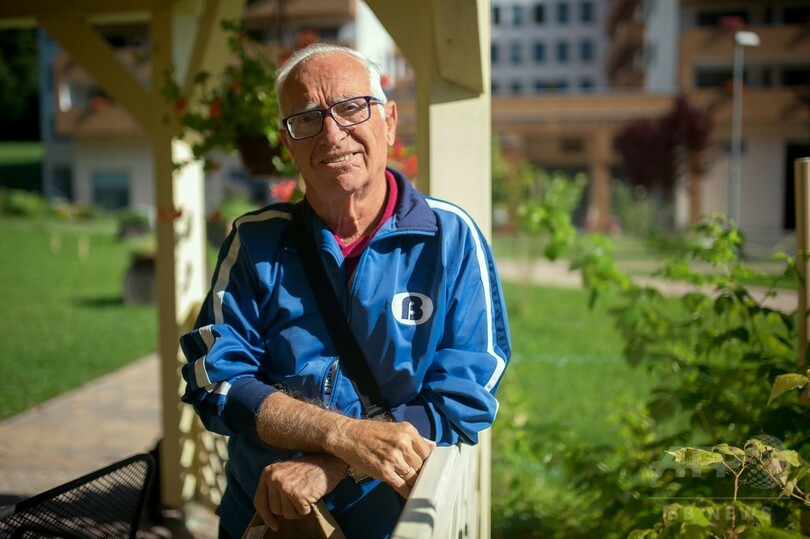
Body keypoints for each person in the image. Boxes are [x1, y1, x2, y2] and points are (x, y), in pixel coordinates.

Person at [180, 42, 511, 539]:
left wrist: (335, 463)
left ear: (389, 122)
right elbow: (215, 379)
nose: (332, 133)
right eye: (306, 119)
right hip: (270, 523)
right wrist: (341, 434)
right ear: (287, 143)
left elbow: (466, 393)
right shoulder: (255, 241)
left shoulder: (450, 237)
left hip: (397, 526)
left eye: (352, 108)